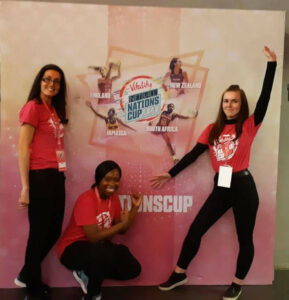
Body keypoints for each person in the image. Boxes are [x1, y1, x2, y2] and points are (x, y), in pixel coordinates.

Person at [151, 46, 277, 300]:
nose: (230, 104)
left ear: (241, 105)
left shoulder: (249, 125)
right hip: (221, 185)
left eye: (235, 101)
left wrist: (272, 65)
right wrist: (170, 174)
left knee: (245, 238)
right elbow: (193, 155)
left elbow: (265, 98)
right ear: (222, 104)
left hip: (243, 187)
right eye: (226, 100)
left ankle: (237, 283)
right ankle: (179, 273)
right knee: (196, 229)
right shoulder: (212, 129)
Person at [16, 64, 68, 299]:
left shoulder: (54, 110)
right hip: (40, 176)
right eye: (47, 79)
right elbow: (22, 149)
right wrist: (26, 187)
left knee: (54, 229)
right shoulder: (33, 108)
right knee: (38, 232)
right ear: (40, 81)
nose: (51, 84)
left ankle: (27, 273)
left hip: (57, 175)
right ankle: (32, 283)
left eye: (56, 81)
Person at [58, 160, 142, 300]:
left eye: (116, 180)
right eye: (107, 179)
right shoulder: (86, 199)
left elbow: (123, 230)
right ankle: (92, 294)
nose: (112, 184)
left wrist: (135, 208)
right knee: (100, 251)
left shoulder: (113, 199)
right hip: (71, 249)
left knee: (131, 266)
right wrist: (122, 224)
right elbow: (93, 237)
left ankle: (89, 272)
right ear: (98, 179)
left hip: (98, 250)